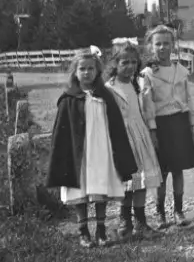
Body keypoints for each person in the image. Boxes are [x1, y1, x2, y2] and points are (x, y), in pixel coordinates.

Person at [46, 50, 138, 248]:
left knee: (100, 187)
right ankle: (83, 231)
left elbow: (116, 126)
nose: (86, 72)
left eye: (91, 68)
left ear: (97, 71)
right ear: (75, 72)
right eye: (82, 69)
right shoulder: (69, 99)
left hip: (101, 149)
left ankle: (101, 230)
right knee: (80, 189)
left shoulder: (106, 96)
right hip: (79, 152)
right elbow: (62, 133)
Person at [104, 43, 162, 240]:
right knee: (128, 181)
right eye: (124, 62)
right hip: (122, 137)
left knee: (142, 180)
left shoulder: (138, 83)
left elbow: (147, 109)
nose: (129, 66)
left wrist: (152, 131)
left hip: (140, 134)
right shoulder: (110, 88)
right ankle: (124, 220)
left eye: (133, 62)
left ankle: (140, 220)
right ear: (115, 63)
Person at [145, 24, 194, 227]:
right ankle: (160, 213)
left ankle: (178, 211)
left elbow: (188, 99)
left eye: (166, 43)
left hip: (179, 122)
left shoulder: (180, 71)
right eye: (158, 44)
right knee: (162, 172)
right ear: (151, 46)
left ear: (173, 46)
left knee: (178, 169)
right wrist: (152, 130)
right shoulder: (148, 74)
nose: (162, 48)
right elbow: (147, 105)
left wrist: (191, 126)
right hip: (161, 124)